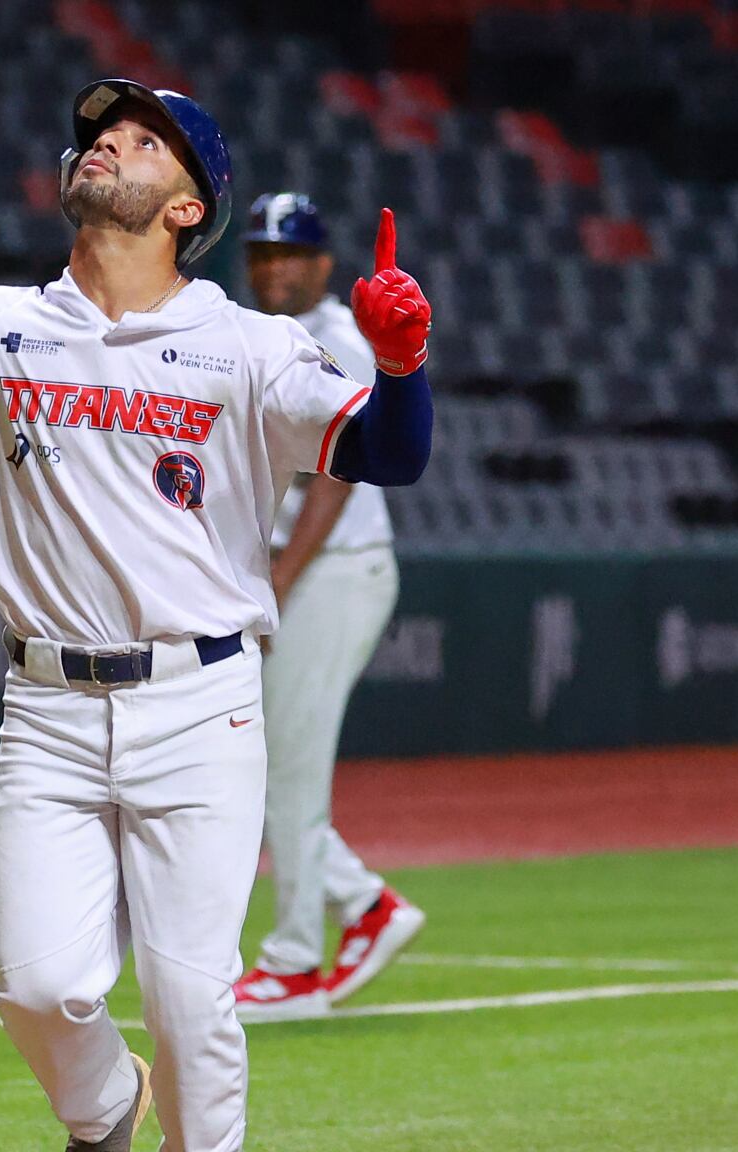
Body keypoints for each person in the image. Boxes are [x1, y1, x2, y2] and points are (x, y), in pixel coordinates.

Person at [0, 80, 434, 1151]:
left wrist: (400, 364)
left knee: (190, 1004)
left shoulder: (247, 347)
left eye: (142, 143)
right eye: (99, 135)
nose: (105, 147)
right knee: (34, 990)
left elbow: (386, 453)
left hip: (198, 699)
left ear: (187, 208)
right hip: (47, 708)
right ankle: (103, 1111)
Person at [230, 194, 428, 1024]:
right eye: (263, 253)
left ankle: (295, 964)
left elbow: (335, 480)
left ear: (322, 263)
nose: (275, 267)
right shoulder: (259, 333)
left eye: (292, 253)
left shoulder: (342, 338)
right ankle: (367, 904)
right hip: (307, 570)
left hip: (332, 570)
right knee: (273, 767)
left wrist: (277, 584)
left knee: (288, 769)